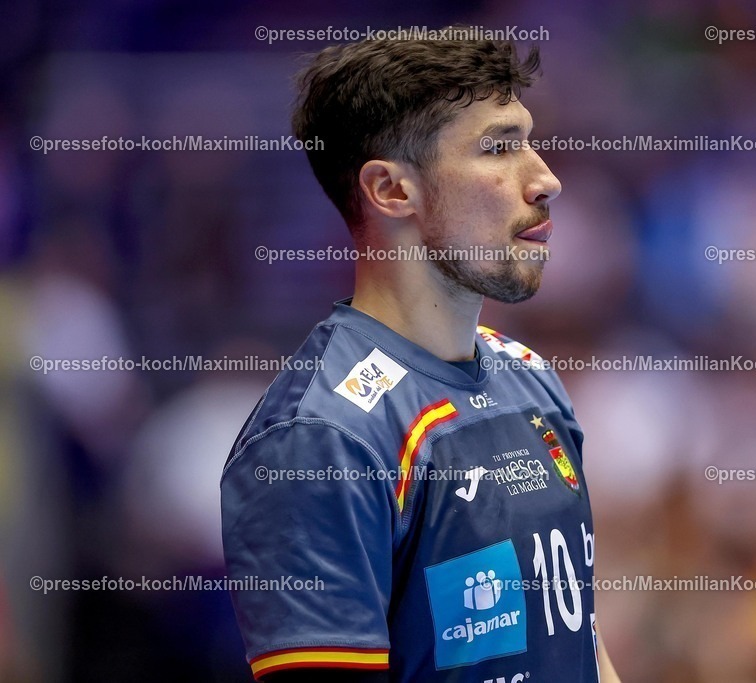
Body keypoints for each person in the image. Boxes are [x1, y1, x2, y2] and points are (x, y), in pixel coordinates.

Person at [220, 30, 621, 682]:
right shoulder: (321, 437)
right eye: (499, 148)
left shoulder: (530, 377)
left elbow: (582, 647)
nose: (545, 179)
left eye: (529, 140)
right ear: (391, 190)